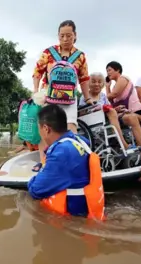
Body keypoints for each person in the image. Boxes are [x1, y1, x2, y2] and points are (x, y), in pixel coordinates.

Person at [32, 20, 92, 171]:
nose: (65, 39)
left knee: (71, 128)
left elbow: (84, 79)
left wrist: (88, 97)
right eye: (62, 36)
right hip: (48, 95)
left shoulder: (80, 56)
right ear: (58, 36)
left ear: (75, 35)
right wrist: (35, 91)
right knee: (46, 128)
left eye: (69, 36)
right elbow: (37, 72)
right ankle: (45, 163)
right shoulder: (48, 52)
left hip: (69, 98)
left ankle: (72, 163)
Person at [27, 105, 105, 220]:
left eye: (38, 128)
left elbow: (36, 190)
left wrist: (33, 179)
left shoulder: (61, 153)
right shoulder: (79, 140)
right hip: (88, 210)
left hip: (76, 219)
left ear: (46, 129)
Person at [79, 72, 129, 148]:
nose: (96, 84)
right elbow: (81, 113)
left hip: (106, 120)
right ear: (89, 84)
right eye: (93, 82)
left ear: (102, 84)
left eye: (99, 82)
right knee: (112, 112)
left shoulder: (103, 96)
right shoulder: (85, 96)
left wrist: (117, 109)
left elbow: (109, 107)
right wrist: (95, 109)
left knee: (127, 115)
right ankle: (123, 144)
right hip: (92, 122)